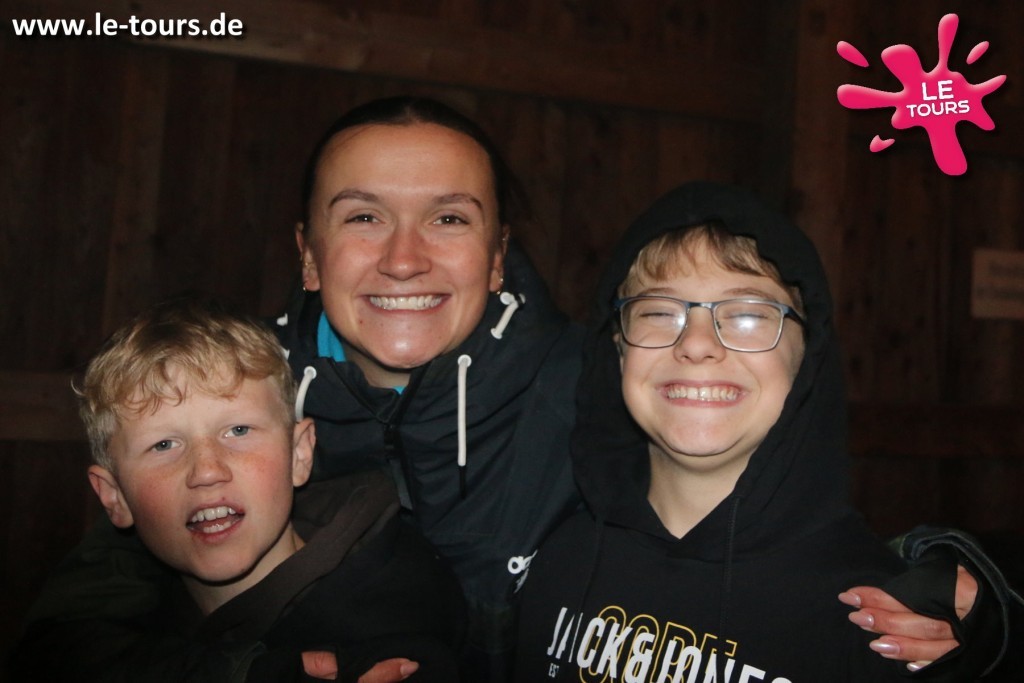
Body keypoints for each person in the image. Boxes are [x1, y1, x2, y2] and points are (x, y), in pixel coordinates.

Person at [11, 99, 1007, 683]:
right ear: (308, 254)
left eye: (448, 218)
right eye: (364, 216)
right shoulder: (232, 403)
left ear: (497, 256)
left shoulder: (595, 383)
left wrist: (964, 582)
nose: (405, 256)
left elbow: (760, 469)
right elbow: (77, 618)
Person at [514, 181, 1023, 682]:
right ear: (618, 349)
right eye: (658, 312)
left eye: (747, 314)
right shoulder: (550, 556)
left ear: (807, 356)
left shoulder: (880, 617)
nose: (696, 343)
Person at [11, 296, 465, 682]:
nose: (207, 470)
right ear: (114, 497)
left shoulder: (392, 624)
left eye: (238, 430)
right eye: (164, 444)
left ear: (299, 454)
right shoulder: (112, 622)